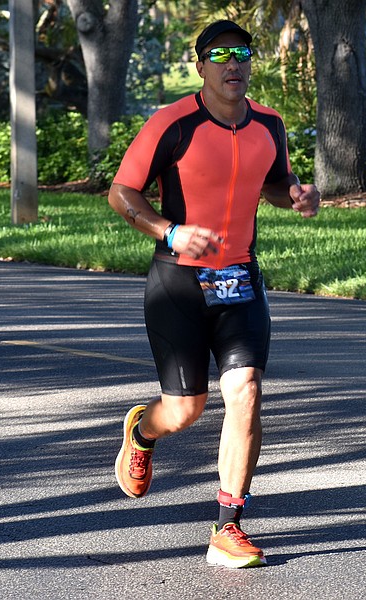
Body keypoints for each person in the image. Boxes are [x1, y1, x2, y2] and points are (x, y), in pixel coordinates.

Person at [107, 19, 320, 569]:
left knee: (245, 390)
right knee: (185, 411)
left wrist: (294, 195)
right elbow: (121, 191)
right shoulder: (171, 123)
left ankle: (228, 526)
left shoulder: (269, 125)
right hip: (178, 280)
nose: (233, 64)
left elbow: (272, 182)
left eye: (242, 54)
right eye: (220, 54)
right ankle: (142, 430)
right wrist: (170, 232)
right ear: (199, 65)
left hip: (241, 279)